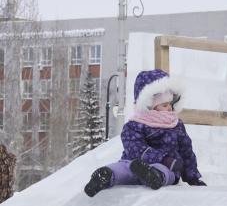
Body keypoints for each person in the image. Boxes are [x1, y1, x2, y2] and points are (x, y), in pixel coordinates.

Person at [84, 69, 206, 197]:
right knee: (124, 168)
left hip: (167, 167)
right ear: (149, 105)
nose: (169, 108)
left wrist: (193, 177)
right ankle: (106, 175)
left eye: (170, 103)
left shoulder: (175, 125)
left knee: (166, 172)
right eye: (164, 105)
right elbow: (134, 148)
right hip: (135, 163)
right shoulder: (135, 125)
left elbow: (186, 152)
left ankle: (153, 176)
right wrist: (163, 158)